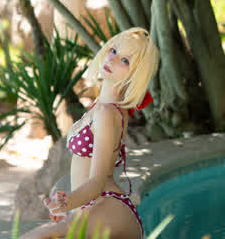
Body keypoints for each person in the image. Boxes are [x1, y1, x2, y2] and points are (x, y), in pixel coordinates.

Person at [19, 27, 159, 239]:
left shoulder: (107, 112)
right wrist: (69, 205)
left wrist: (67, 203)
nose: (112, 59)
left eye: (125, 61)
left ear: (135, 75)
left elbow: (97, 182)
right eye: (113, 50)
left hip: (106, 206)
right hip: (92, 205)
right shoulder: (102, 104)